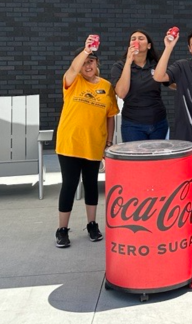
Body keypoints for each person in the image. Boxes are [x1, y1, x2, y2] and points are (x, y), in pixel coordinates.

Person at [55, 36, 119, 248]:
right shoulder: (72, 82)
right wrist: (85, 50)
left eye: (91, 61)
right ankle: (62, 229)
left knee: (91, 185)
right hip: (70, 144)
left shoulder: (107, 86)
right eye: (83, 62)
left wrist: (109, 142)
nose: (87, 65)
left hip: (94, 145)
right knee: (70, 186)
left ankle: (92, 224)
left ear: (97, 63)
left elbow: (111, 116)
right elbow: (73, 68)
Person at [111, 29, 168, 142]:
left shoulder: (155, 64)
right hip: (133, 124)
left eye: (141, 39)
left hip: (158, 122)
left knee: (157, 158)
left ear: (149, 46)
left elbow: (170, 82)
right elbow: (121, 93)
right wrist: (128, 62)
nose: (136, 41)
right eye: (133, 39)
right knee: (136, 159)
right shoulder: (119, 66)